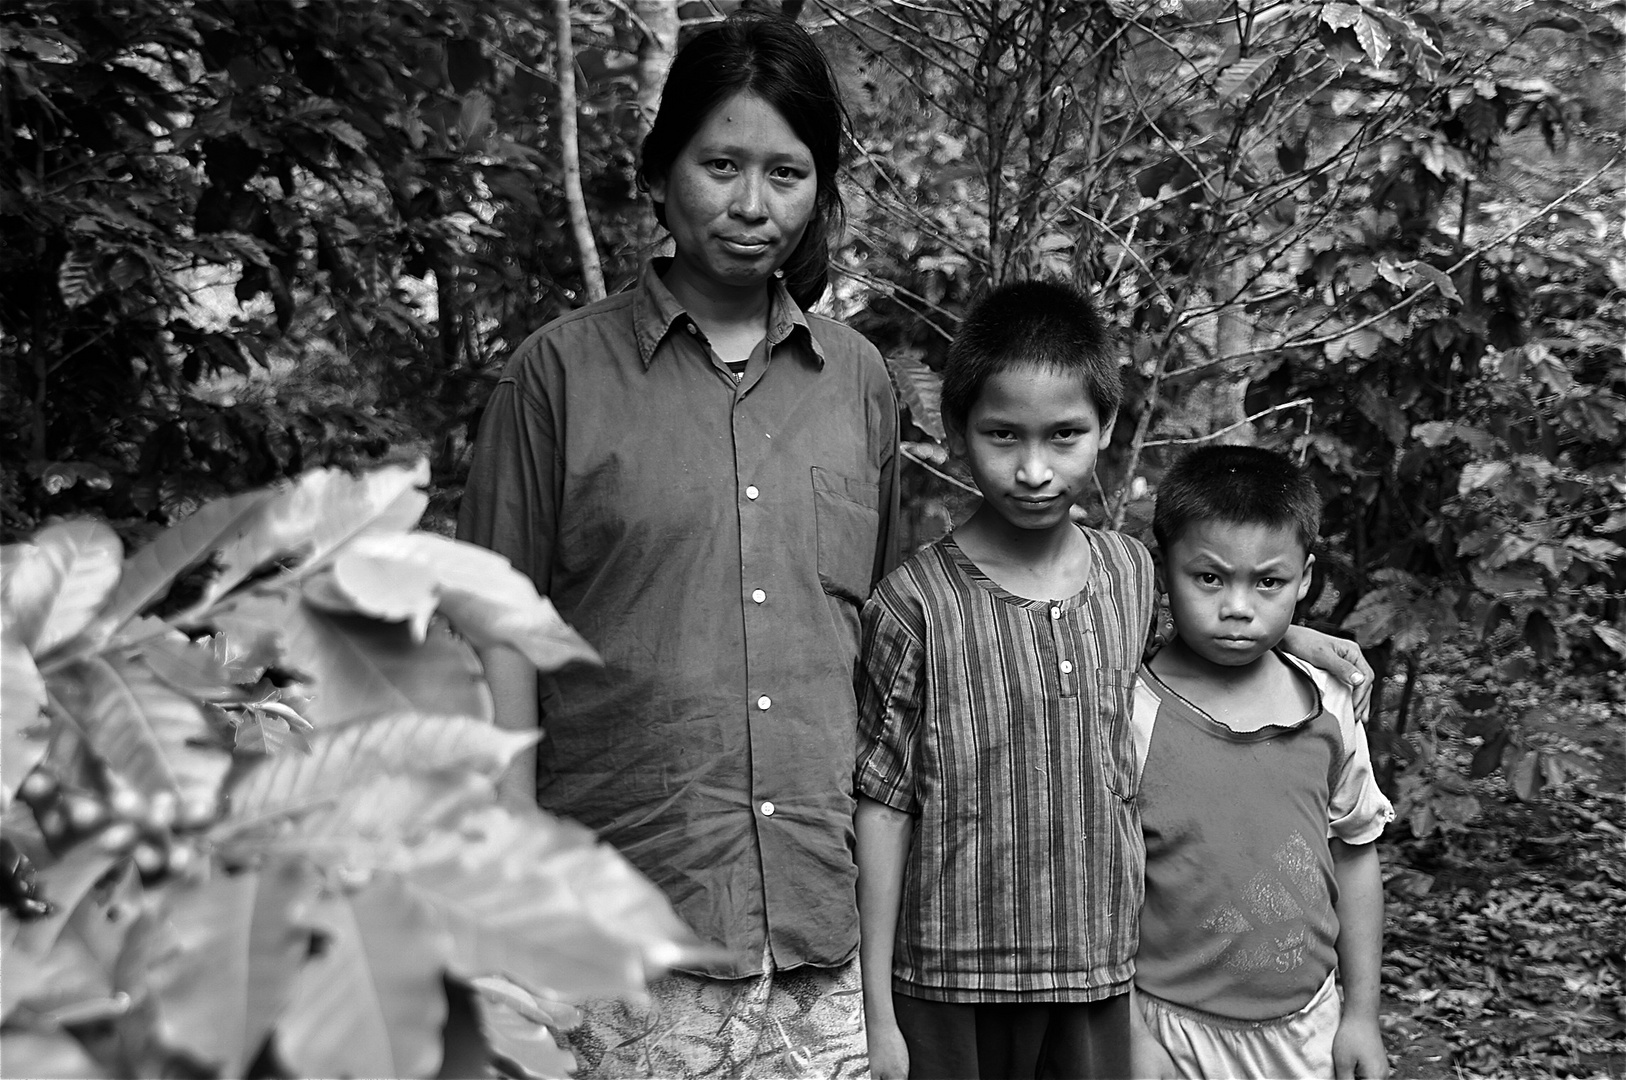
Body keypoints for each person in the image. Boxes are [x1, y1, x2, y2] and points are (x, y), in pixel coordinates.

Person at [457, 14, 897, 1078]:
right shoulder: (554, 378)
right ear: (659, 175)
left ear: (819, 193)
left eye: (787, 174)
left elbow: (894, 636)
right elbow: (492, 648)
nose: (753, 206)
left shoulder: (860, 384)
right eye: (722, 165)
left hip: (820, 950)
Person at [853, 282, 1373, 1080]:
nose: (1034, 469)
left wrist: (1295, 631)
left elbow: (1206, 629)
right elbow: (883, 805)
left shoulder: (1128, 572)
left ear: (1103, 431)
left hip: (1099, 975)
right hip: (947, 977)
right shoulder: (914, 603)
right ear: (956, 433)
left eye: (1065, 436)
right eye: (1003, 435)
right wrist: (876, 1011)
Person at [1129, 444, 1394, 1080]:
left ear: (1304, 578)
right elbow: (1099, 892)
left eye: (1267, 582)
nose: (1239, 608)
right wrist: (1133, 1035)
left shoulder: (1330, 702)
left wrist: (1360, 1014)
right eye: (1210, 578)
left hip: (1308, 1028)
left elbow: (1356, 852)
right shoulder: (1128, 712)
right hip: (1170, 1032)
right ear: (1165, 571)